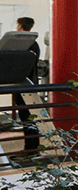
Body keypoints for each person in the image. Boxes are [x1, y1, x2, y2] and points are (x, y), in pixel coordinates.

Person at [13, 17, 39, 163]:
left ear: (19, 25)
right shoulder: (34, 44)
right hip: (32, 84)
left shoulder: (20, 45)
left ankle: (30, 148)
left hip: (22, 86)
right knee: (31, 118)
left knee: (26, 118)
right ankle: (33, 147)